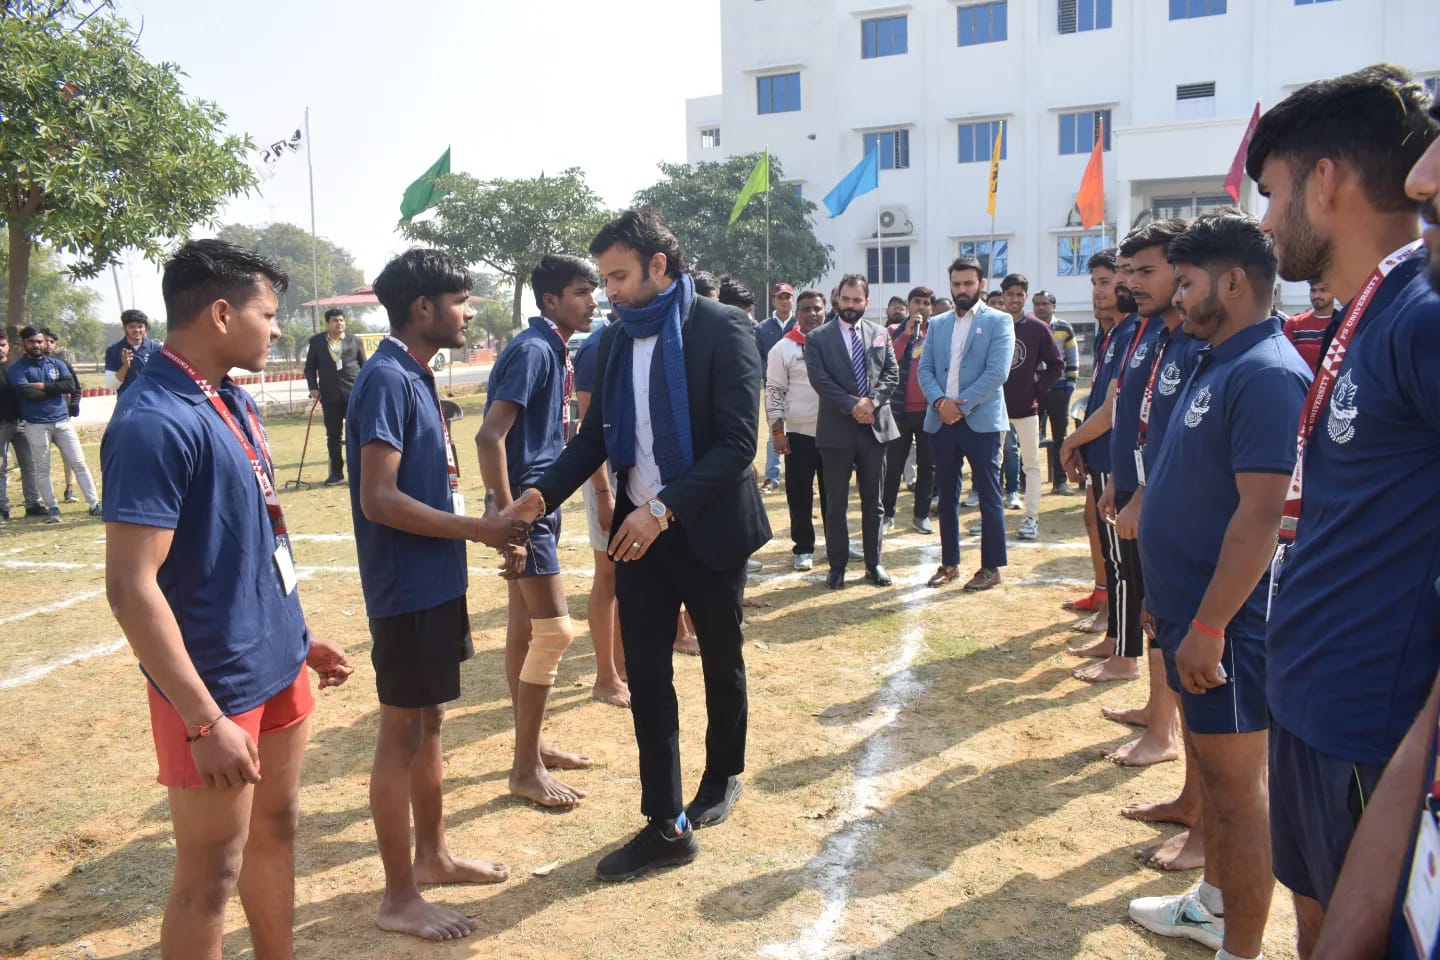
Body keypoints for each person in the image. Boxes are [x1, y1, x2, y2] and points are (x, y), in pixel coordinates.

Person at [102, 238, 355, 960]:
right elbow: (130, 586)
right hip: (212, 684)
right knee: (211, 873)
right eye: (267, 315)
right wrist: (203, 718)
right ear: (220, 313)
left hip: (274, 658)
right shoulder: (153, 419)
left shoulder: (228, 397)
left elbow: (246, 538)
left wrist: (295, 636)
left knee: (277, 829)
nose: (277, 329)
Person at [504, 208, 771, 881]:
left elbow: (738, 444)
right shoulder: (619, 339)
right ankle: (666, 824)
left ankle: (723, 774)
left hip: (707, 528)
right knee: (648, 678)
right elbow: (595, 437)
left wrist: (662, 508)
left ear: (659, 266)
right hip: (638, 538)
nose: (609, 292)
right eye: (604, 280)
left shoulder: (722, 327)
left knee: (721, 662)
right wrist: (538, 497)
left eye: (619, 277)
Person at [1251, 65, 1440, 957]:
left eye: (1271, 191)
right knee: (1315, 918)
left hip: (1373, 726)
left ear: (1324, 181)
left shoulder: (1420, 318)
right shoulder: (1364, 314)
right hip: (1310, 701)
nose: (1264, 221)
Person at [1127, 211, 1311, 960]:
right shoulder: (1220, 359)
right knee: (1211, 772)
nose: (1177, 296)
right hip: (1190, 611)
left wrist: (1208, 626)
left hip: (1229, 626)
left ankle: (1241, 948)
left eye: (1188, 282)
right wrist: (1167, 601)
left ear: (1232, 283)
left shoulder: (1267, 373)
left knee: (1238, 798)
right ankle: (1210, 907)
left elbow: (1262, 516)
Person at [347, 248, 529, 940]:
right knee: (400, 734)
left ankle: (433, 856)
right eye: (460, 301)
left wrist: (480, 529)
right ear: (422, 307)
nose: (468, 312)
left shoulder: (417, 376)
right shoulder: (386, 379)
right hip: (406, 588)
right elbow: (379, 497)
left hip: (436, 579)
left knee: (429, 724)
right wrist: (479, 530)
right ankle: (399, 897)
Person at [477, 254, 599, 808]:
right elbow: (489, 437)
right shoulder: (533, 350)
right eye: (581, 292)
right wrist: (511, 520)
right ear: (551, 300)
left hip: (537, 503)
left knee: (524, 630)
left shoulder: (552, 346)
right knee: (554, 634)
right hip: (527, 509)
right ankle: (525, 768)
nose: (592, 302)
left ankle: (532, 745)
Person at [919, 256, 1015, 590]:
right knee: (947, 496)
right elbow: (925, 369)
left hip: (981, 421)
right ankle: (949, 563)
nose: (962, 289)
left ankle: (991, 567)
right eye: (956, 284)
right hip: (941, 421)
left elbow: (997, 372)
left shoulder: (999, 321)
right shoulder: (937, 323)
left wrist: (960, 406)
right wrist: (940, 403)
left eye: (968, 283)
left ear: (981, 284)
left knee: (989, 495)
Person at [805, 273, 900, 589]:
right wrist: (853, 406)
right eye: (845, 299)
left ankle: (874, 564)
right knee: (836, 505)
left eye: (857, 300)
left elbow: (891, 373)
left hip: (875, 429)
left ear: (866, 302)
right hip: (836, 430)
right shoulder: (817, 338)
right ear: (837, 299)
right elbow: (820, 380)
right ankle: (837, 566)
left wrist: (871, 403)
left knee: (874, 503)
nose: (850, 305)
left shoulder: (880, 333)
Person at [1059, 251, 1130, 640]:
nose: (1099, 292)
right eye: (1095, 284)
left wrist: (1070, 441)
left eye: (1106, 283)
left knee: (1118, 543)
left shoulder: (1133, 332)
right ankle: (1104, 598)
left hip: (1119, 455)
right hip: (1100, 451)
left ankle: (1115, 623)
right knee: (1095, 523)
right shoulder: (1111, 333)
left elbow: (1113, 409)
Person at [573, 312, 630, 707]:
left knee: (631, 574)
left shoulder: (642, 338)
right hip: (606, 477)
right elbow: (589, 432)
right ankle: (605, 676)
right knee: (608, 574)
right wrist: (603, 492)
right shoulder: (597, 347)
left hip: (634, 472)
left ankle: (623, 666)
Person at [7, 325, 98, 521]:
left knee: (79, 463)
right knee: (43, 468)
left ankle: (94, 504)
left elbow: (70, 385)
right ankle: (53, 507)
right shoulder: (17, 368)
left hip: (62, 421)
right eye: (32, 342)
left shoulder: (56, 364)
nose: (36, 345)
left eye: (39, 341)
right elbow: (27, 393)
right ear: (24, 343)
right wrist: (55, 389)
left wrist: (43, 386)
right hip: (36, 424)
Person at [999, 273, 1063, 541]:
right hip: (995, 409)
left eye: (1019, 295)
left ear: (1025, 297)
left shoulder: (1038, 328)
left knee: (1031, 464)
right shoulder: (994, 324)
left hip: (1027, 408)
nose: (1015, 299)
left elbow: (1057, 364)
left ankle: (1031, 517)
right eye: (1010, 294)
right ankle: (990, 515)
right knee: (991, 465)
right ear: (1003, 296)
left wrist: (1036, 387)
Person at [767, 289, 828, 570]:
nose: (812, 314)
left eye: (817, 308)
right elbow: (774, 391)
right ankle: (803, 548)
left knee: (834, 494)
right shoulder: (783, 348)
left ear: (825, 310)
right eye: (806, 309)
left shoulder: (835, 343)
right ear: (797, 313)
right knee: (800, 493)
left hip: (833, 433)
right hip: (798, 434)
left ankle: (837, 543)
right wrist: (777, 432)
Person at [881, 286, 936, 535]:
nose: (921, 307)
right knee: (893, 464)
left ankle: (921, 515)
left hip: (930, 411)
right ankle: (887, 514)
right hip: (898, 411)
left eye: (926, 303)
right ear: (909, 304)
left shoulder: (937, 332)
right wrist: (905, 336)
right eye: (916, 301)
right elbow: (887, 362)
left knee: (928, 465)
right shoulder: (893, 331)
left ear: (931, 307)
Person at [304, 307, 367, 485]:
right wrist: (313, 388)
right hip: (329, 395)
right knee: (333, 436)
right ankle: (336, 474)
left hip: (353, 394)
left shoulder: (355, 340)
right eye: (335, 320)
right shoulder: (316, 342)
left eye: (341, 320)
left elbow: (365, 366)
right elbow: (309, 368)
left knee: (357, 434)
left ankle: (359, 473)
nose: (339, 323)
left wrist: (366, 389)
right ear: (327, 323)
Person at [1034, 290, 1078, 495]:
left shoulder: (1064, 328)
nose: (1041, 307)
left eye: (1045, 304)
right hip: (1034, 391)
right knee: (1030, 437)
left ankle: (1060, 482)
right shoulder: (1029, 327)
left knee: (1060, 437)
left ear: (1053, 306)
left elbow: (1073, 357)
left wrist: (1070, 386)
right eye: (1037, 304)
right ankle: (1026, 483)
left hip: (1059, 391)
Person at [0, 329, 42, 522]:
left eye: (3, 345)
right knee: (1, 467)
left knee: (30, 464)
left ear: (8, 345)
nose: (0, 349)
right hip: (2, 425)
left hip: (22, 423)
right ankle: (2, 507)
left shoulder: (16, 368)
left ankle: (32, 503)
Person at [40, 327, 82, 503]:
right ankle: (40, 496)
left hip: (62, 415)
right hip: (38, 418)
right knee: (41, 458)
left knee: (69, 455)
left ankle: (70, 489)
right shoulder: (30, 364)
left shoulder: (62, 363)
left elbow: (76, 386)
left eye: (52, 342)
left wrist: (74, 403)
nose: (48, 345)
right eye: (45, 341)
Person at [1280, 279, 1336, 373]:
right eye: (1313, 291)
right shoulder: (1294, 323)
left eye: (1322, 290)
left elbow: (1343, 357)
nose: (1317, 295)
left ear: (1334, 292)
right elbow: (1285, 357)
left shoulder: (1344, 323)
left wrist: (1301, 349)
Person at [103, 308, 162, 394]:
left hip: (151, 400)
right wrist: (125, 366)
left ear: (145, 328)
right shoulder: (113, 351)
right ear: (124, 328)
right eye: (132, 326)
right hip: (127, 401)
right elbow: (111, 386)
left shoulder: (157, 349)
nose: (137, 330)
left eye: (140, 326)